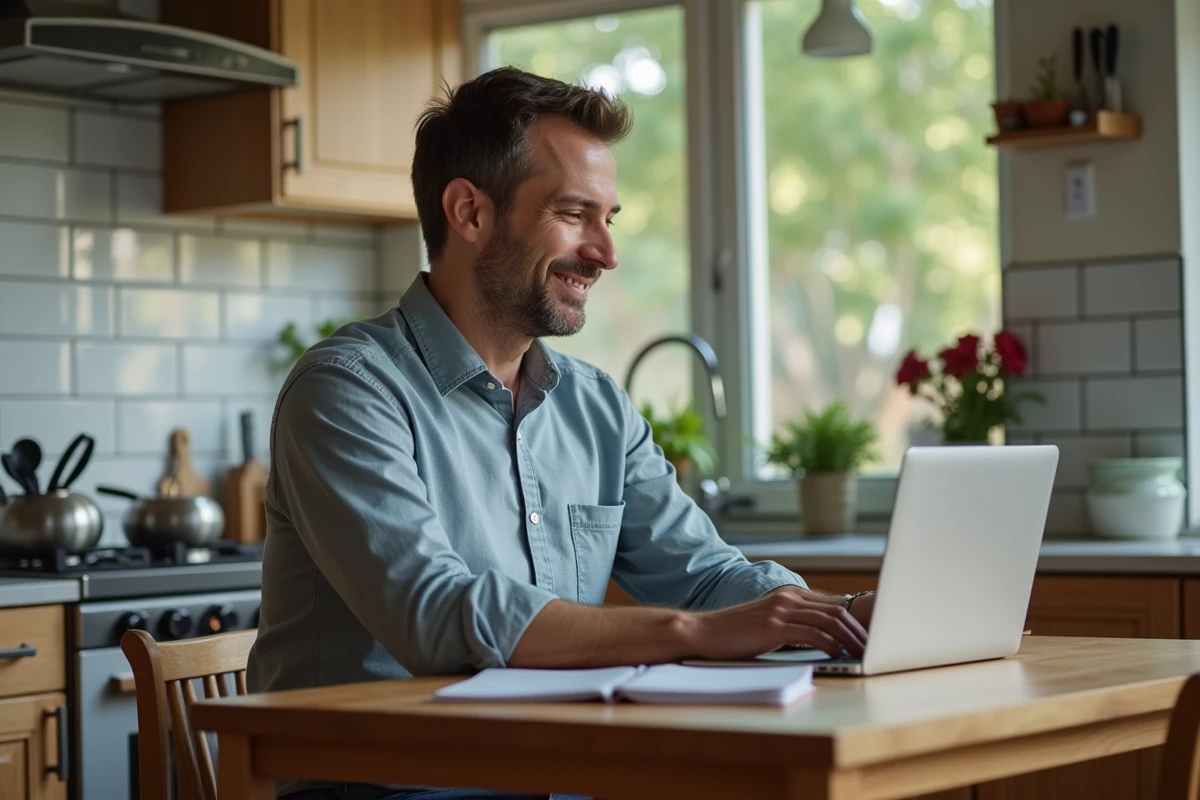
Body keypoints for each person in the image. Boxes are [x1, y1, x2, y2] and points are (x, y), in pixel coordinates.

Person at [248, 66, 875, 800]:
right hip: (392, 790)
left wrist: (841, 618)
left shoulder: (596, 407)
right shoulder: (348, 389)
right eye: (576, 214)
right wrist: (689, 633)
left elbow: (705, 576)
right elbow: (436, 615)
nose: (605, 253)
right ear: (470, 213)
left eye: (609, 218)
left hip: (563, 778)